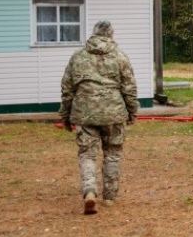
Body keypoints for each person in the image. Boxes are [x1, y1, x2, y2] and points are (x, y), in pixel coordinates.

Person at [59, 20, 138, 215]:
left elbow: (67, 89)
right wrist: (132, 111)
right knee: (112, 154)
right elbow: (129, 88)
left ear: (93, 35)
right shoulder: (120, 57)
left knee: (87, 154)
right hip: (114, 113)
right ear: (111, 35)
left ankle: (90, 192)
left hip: (84, 113)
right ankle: (109, 197)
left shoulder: (77, 57)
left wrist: (65, 115)